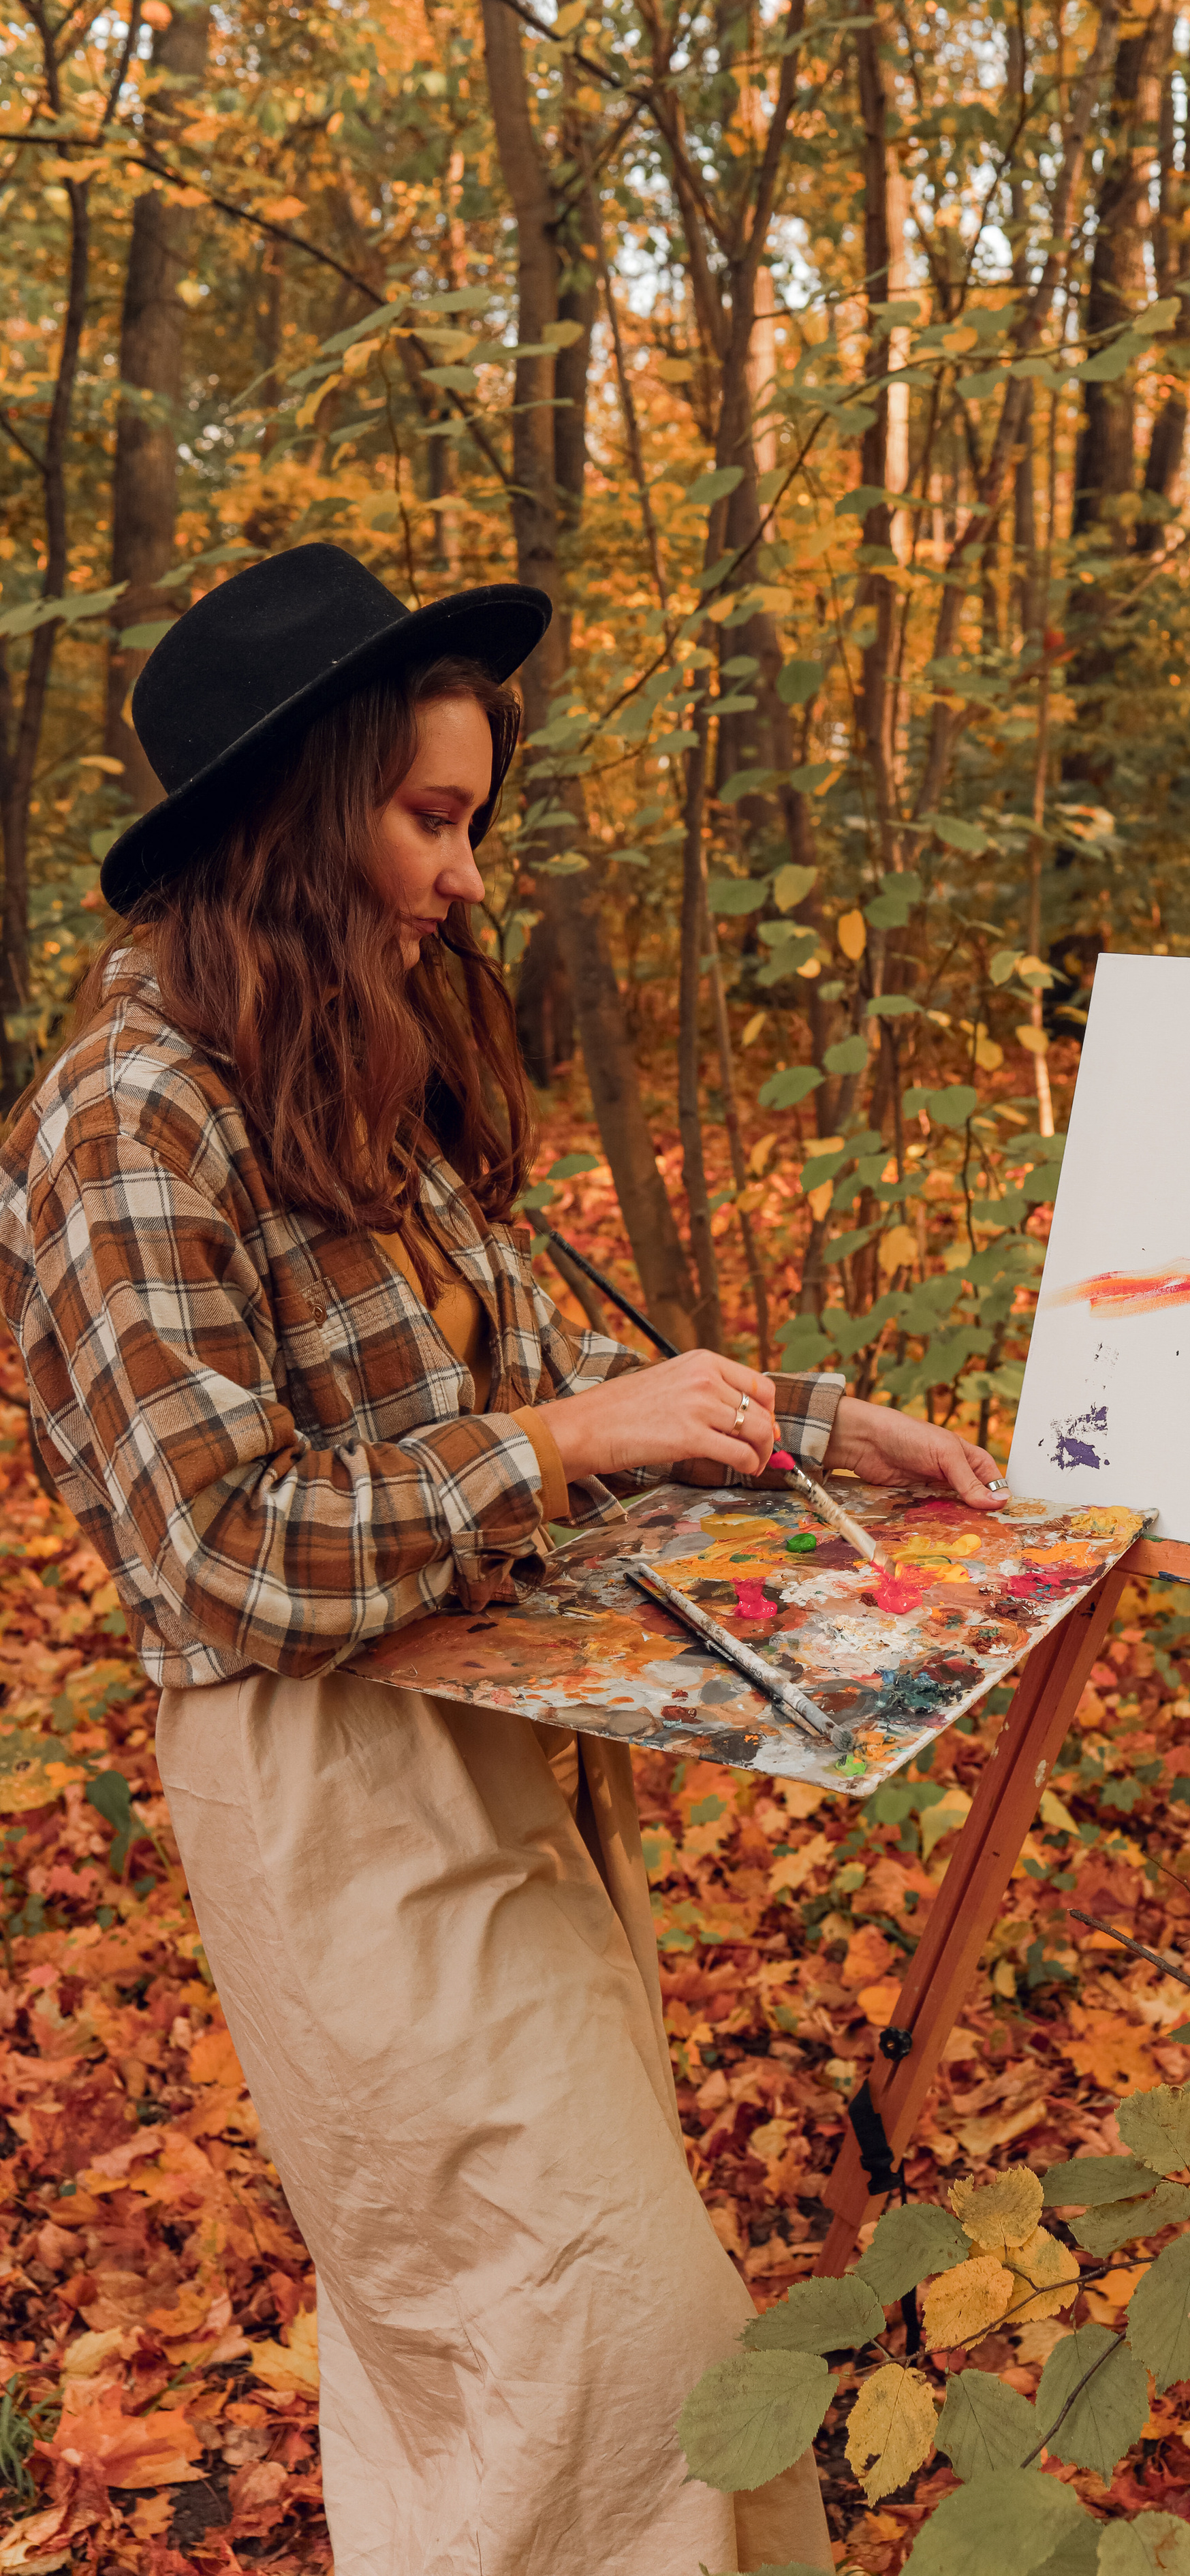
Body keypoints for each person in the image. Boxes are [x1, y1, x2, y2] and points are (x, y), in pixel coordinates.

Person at [0, 544, 1007, 2575]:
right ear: (293, 825)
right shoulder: (127, 1123)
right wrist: (547, 1446)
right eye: (431, 820)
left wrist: (818, 1430)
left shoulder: (337, 1061)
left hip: (501, 1744)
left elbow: (553, 1374)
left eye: (475, 819)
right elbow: (214, 1556)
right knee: (615, 2343)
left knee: (497, 2354)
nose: (466, 875)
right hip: (326, 1798)